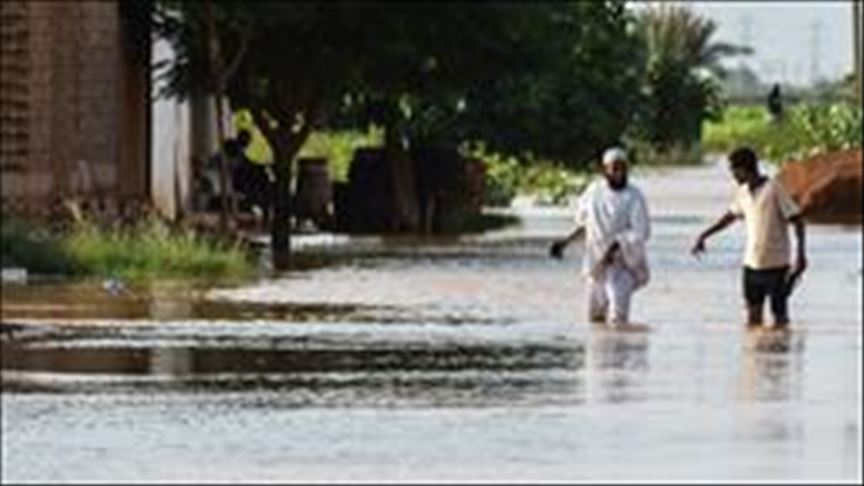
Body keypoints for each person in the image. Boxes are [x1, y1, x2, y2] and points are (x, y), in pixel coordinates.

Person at [691, 147, 807, 329]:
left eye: (734, 171)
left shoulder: (774, 188)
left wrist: (800, 256)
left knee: (780, 320)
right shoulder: (743, 192)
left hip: (776, 265)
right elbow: (730, 216)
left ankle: (781, 355)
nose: (733, 176)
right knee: (753, 320)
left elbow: (798, 221)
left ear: (745, 169)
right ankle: (757, 356)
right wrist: (705, 235)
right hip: (751, 265)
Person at [549, 147, 651, 326]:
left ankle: (622, 353)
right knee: (595, 318)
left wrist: (615, 247)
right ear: (605, 170)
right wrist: (565, 243)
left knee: (618, 317)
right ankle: (601, 352)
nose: (619, 172)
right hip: (596, 264)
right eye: (615, 168)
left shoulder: (634, 197)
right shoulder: (594, 193)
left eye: (623, 168)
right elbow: (586, 225)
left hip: (622, 266)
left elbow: (641, 232)